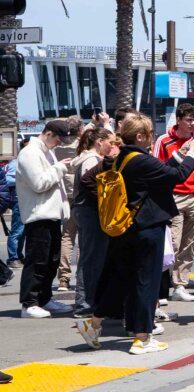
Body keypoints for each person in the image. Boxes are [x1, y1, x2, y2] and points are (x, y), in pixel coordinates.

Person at [85, 113, 194, 354]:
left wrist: (181, 154)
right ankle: (142, 337)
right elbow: (175, 177)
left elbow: (159, 173)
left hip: (125, 226)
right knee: (146, 282)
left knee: (118, 279)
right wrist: (192, 155)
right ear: (140, 136)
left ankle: (93, 323)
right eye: (149, 135)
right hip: (147, 227)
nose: (152, 139)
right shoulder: (140, 159)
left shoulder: (121, 158)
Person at [151, 103, 194, 303]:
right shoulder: (164, 140)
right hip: (174, 196)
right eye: (188, 120)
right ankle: (161, 288)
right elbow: (157, 168)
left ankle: (180, 284)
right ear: (178, 120)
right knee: (173, 243)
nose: (192, 124)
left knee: (190, 243)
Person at [16, 121, 73, 318]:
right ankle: (29, 303)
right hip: (38, 215)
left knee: (51, 260)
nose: (59, 143)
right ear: (48, 133)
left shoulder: (47, 151)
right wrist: (59, 168)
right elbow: (39, 183)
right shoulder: (30, 153)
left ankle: (44, 298)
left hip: (51, 214)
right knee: (37, 260)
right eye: (58, 138)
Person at [70, 126, 118, 329]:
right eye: (111, 142)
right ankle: (84, 303)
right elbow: (89, 183)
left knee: (92, 256)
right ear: (99, 142)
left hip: (86, 211)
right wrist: (104, 197)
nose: (113, 146)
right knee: (91, 257)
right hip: (90, 211)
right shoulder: (91, 159)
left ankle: (88, 300)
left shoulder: (87, 157)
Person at [53, 116, 82, 292]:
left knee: (67, 235)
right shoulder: (81, 145)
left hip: (64, 193)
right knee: (83, 238)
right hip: (80, 192)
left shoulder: (58, 146)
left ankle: (63, 278)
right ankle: (81, 276)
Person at [5, 138, 27, 269]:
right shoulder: (16, 163)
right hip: (18, 199)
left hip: (24, 199)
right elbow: (8, 180)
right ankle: (13, 258)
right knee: (17, 231)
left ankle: (18, 255)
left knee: (22, 231)